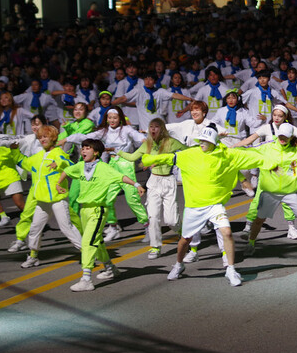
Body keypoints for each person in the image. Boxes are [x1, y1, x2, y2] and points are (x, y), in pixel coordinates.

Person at [141, 124, 261, 286]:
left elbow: (245, 159)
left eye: (206, 140)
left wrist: (252, 173)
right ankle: (179, 264)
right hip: (194, 207)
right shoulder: (189, 154)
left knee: (227, 232)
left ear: (213, 142)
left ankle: (231, 270)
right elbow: (168, 157)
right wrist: (150, 159)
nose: (202, 142)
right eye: (201, 140)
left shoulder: (224, 154)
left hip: (215, 206)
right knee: (185, 240)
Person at [61, 139, 144, 291]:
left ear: (96, 152)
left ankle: (86, 279)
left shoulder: (104, 168)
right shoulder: (80, 166)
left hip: (97, 211)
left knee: (87, 243)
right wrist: (58, 183)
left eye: (88, 148)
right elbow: (67, 171)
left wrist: (137, 184)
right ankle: (110, 268)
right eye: (83, 148)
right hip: (84, 210)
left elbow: (120, 177)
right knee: (97, 242)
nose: (83, 151)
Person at [242, 123, 297, 257]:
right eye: (280, 136)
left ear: (291, 137)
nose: (282, 138)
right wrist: (225, 149)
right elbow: (246, 150)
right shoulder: (266, 147)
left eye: (286, 136)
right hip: (269, 193)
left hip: (290, 193)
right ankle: (251, 244)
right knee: (259, 220)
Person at [8, 125, 83, 267]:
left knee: (66, 227)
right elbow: (23, 162)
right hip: (42, 200)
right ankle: (33, 256)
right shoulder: (38, 157)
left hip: (57, 199)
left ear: (53, 138)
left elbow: (69, 163)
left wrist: (58, 162)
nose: (42, 139)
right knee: (35, 228)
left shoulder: (58, 152)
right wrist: (14, 149)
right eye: (41, 137)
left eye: (46, 136)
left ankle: (87, 253)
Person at [116, 118, 185, 260]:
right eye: (151, 127)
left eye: (156, 127)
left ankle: (182, 232)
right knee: (153, 216)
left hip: (168, 180)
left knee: (171, 220)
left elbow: (187, 152)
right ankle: (155, 246)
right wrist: (118, 152)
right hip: (153, 182)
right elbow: (132, 157)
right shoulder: (147, 144)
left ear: (162, 128)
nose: (153, 129)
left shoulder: (171, 142)